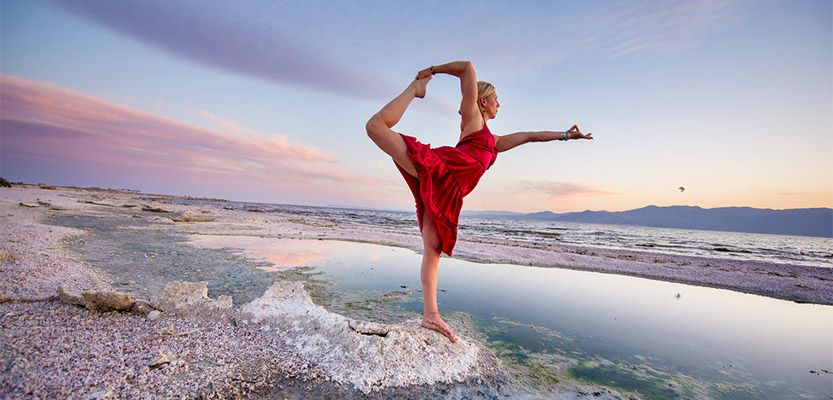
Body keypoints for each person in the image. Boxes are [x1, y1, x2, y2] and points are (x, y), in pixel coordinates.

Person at [365, 61, 593, 343]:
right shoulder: (472, 119)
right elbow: (467, 68)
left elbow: (530, 137)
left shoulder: (494, 141)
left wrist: (567, 135)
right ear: (483, 101)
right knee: (375, 127)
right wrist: (431, 72)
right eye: (497, 99)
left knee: (432, 250)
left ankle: (430, 315)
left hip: (449, 191)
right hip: (438, 168)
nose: (500, 104)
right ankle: (415, 90)